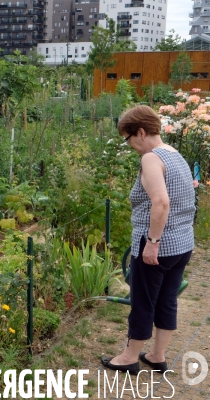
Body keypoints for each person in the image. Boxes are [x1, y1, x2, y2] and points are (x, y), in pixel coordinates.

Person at [101, 105, 196, 374]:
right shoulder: (176, 155)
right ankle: (157, 355)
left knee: (143, 301)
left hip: (158, 246)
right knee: (167, 300)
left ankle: (129, 357)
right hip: (182, 244)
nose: (130, 145)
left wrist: (152, 242)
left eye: (129, 139)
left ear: (140, 132)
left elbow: (161, 202)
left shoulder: (151, 159)